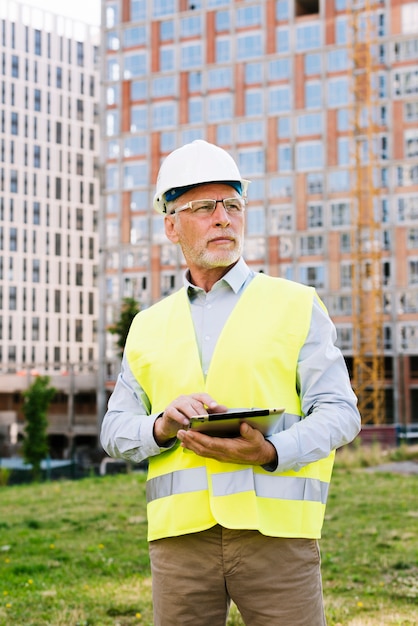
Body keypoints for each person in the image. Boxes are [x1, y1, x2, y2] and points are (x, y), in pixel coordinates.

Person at [100, 139, 361, 626]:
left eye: (233, 205)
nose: (223, 217)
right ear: (171, 225)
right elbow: (115, 429)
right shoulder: (148, 325)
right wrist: (159, 426)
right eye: (204, 207)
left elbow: (342, 414)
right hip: (180, 546)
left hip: (277, 540)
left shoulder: (296, 304)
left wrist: (271, 452)